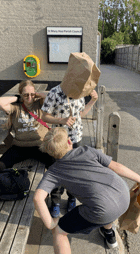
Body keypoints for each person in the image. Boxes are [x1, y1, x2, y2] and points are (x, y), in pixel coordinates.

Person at [33, 127, 140, 254]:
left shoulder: (54, 171)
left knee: (60, 233)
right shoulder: (86, 150)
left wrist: (51, 224)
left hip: (103, 209)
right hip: (123, 195)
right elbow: (117, 167)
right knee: (102, 202)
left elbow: (37, 198)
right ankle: (109, 234)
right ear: (69, 141)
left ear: (50, 153)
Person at [41, 52, 100, 217]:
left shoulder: (80, 93)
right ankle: (55, 202)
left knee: (75, 171)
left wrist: (92, 101)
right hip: (59, 140)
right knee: (57, 171)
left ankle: (72, 198)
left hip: (76, 139)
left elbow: (81, 115)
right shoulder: (54, 93)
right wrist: (62, 119)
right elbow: (44, 116)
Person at [0, 80, 55, 173]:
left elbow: (52, 97)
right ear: (21, 94)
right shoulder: (16, 107)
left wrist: (37, 94)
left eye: (32, 94)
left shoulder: (39, 104)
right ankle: (17, 180)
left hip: (40, 145)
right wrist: (17, 98)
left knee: (56, 164)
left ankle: (51, 187)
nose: (30, 97)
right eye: (26, 95)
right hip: (20, 146)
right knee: (0, 166)